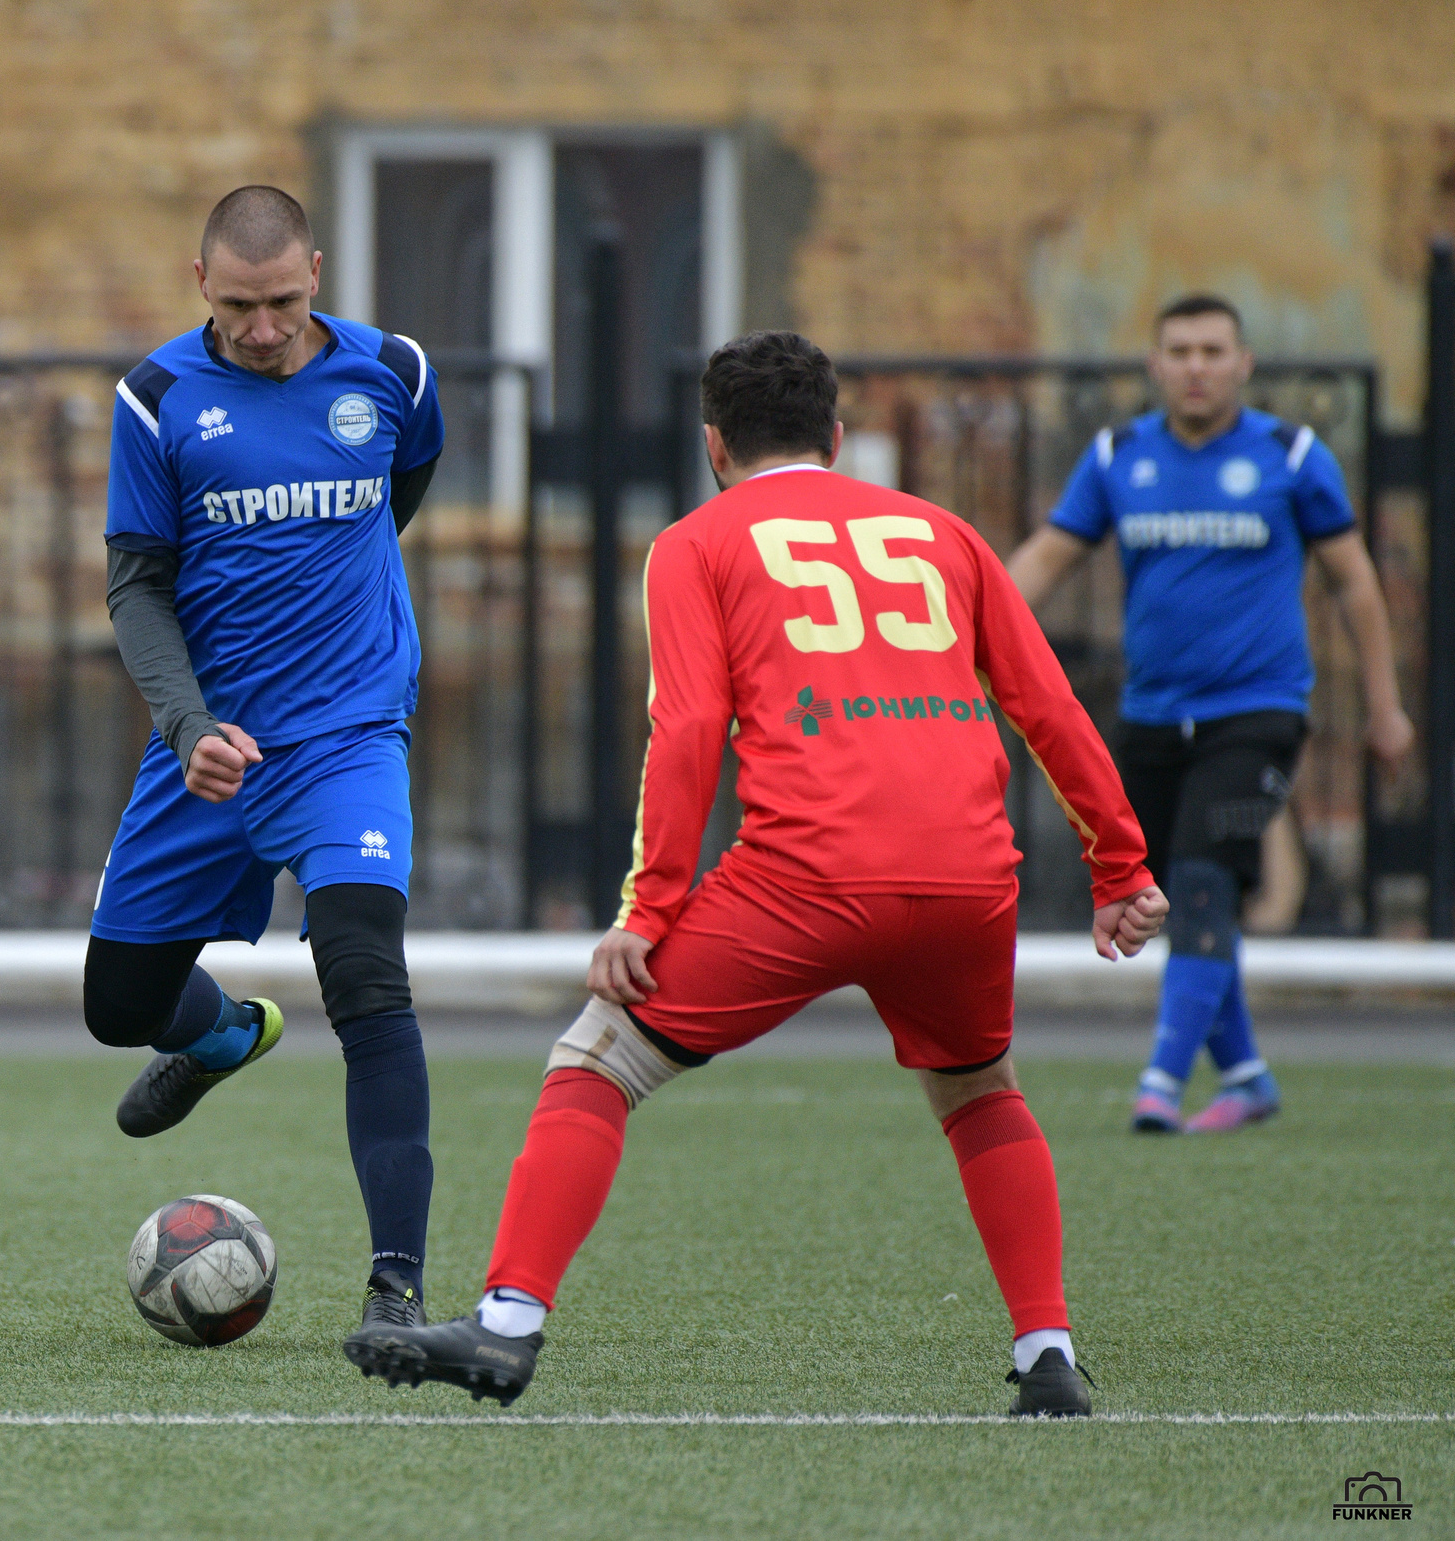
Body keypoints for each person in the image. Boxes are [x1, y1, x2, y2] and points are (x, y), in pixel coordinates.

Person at [343, 331, 1166, 1416]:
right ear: (833, 435)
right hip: (969, 881)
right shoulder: (946, 536)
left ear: (713, 444)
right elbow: (1047, 707)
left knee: (595, 1060)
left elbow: (685, 730)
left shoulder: (696, 543)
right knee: (978, 1093)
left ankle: (505, 1326)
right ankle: (1046, 1352)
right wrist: (1119, 863)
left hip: (805, 879)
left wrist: (647, 909)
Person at [89, 185, 445, 1348]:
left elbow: (394, 499)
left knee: (364, 974)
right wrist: (189, 726)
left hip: (348, 736)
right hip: (208, 749)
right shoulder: (153, 401)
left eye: (284, 302)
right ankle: (217, 1034)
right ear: (201, 284)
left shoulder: (392, 372)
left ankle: (396, 1292)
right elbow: (137, 585)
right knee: (116, 1008)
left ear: (317, 275)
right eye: (239, 306)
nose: (262, 328)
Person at [1009, 296, 1412, 1134]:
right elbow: (1045, 560)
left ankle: (1160, 1079)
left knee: (1202, 880)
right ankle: (1247, 1073)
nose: (1196, 365)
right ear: (1156, 366)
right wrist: (959, 640)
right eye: (1180, 350)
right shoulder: (1119, 455)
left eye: (1212, 350)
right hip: (1152, 715)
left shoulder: (1291, 454)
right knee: (1168, 894)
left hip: (1258, 712)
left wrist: (1384, 706)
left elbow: (1354, 583)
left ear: (1243, 363)